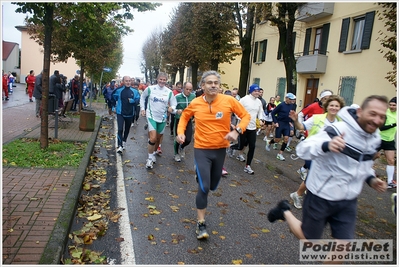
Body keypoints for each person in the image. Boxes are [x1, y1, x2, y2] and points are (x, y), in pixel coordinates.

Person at [268, 95, 388, 245]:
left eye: (382, 117)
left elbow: (363, 164)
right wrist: (327, 145)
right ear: (360, 111)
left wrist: (371, 179)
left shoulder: (375, 139)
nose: (377, 120)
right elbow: (302, 149)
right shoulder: (336, 129)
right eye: (373, 114)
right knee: (308, 239)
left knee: (344, 245)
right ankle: (284, 211)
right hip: (322, 194)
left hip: (348, 199)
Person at [176, 70, 250, 240]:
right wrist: (181, 132)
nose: (213, 85)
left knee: (213, 185)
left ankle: (202, 175)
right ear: (202, 86)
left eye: (216, 83)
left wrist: (237, 131)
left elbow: (245, 116)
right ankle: (201, 223)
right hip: (201, 148)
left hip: (220, 149)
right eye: (209, 82)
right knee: (204, 187)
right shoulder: (195, 103)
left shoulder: (229, 101)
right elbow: (185, 117)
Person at [288, 95, 345, 209]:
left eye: (337, 106)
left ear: (340, 108)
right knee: (315, 174)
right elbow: (301, 127)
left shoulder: (341, 123)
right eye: (331, 105)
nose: (334, 108)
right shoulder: (317, 118)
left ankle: (304, 195)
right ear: (327, 106)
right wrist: (295, 121)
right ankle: (299, 194)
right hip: (312, 152)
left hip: (329, 156)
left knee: (321, 176)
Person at [140, 72, 177, 169]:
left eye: (164, 80)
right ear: (157, 79)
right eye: (160, 79)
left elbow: (174, 103)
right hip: (151, 115)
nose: (162, 81)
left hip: (163, 117)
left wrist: (172, 108)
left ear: (166, 80)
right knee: (152, 138)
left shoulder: (169, 92)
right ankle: (149, 159)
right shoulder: (150, 89)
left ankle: (154, 153)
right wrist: (142, 109)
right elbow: (143, 97)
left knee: (157, 139)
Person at [295, 89, 333, 179]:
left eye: (330, 99)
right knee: (314, 164)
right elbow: (300, 115)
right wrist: (302, 128)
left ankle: (303, 170)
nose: (328, 101)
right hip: (311, 136)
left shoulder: (330, 110)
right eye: (326, 99)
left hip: (322, 139)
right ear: (322, 99)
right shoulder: (313, 106)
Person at [235, 84, 264, 174]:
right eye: (255, 91)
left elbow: (260, 112)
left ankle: (248, 166)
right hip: (243, 126)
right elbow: (236, 110)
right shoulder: (244, 99)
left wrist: (261, 120)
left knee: (252, 146)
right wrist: (240, 119)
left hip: (252, 127)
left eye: (258, 91)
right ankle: (232, 148)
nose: (257, 93)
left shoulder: (259, 102)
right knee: (241, 145)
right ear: (251, 91)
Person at [112, 76, 140, 154]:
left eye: (129, 81)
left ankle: (124, 142)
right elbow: (113, 98)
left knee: (127, 129)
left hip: (130, 113)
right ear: (123, 82)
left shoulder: (134, 91)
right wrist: (113, 106)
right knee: (120, 129)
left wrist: (133, 101)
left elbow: (138, 101)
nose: (128, 82)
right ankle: (120, 146)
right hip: (120, 113)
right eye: (126, 81)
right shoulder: (118, 90)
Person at [265, 93, 296, 161]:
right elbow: (273, 113)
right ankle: (269, 142)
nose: (291, 101)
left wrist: (291, 122)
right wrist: (275, 122)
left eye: (292, 99)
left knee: (286, 139)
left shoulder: (292, 106)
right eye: (290, 99)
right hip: (280, 123)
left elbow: (291, 114)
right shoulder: (281, 105)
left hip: (287, 124)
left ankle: (280, 154)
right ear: (286, 98)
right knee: (277, 139)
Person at [173, 82, 195, 162]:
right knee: (178, 138)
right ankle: (176, 154)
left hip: (188, 120)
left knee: (188, 139)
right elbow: (171, 107)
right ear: (183, 88)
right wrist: (176, 111)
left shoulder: (193, 97)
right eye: (187, 89)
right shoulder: (177, 97)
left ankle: (182, 147)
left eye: (190, 89)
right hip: (179, 119)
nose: (188, 91)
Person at [378, 96, 397, 189]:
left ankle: (390, 182)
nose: (392, 106)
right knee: (373, 156)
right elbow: (381, 128)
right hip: (379, 138)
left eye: (394, 105)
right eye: (390, 105)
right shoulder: (385, 113)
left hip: (389, 140)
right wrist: (394, 124)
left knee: (391, 160)